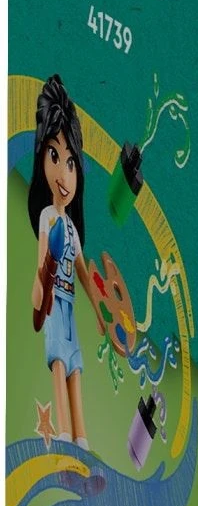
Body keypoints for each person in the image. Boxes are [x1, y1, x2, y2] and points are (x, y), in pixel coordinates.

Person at [27, 75, 104, 447]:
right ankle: (63, 434)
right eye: (55, 157)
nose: (64, 175)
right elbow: (43, 259)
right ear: (42, 156)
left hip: (70, 305)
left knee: (75, 366)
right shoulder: (48, 217)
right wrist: (39, 291)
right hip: (54, 305)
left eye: (71, 162)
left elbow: (85, 274)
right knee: (58, 361)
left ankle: (81, 437)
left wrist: (100, 312)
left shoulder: (71, 227)